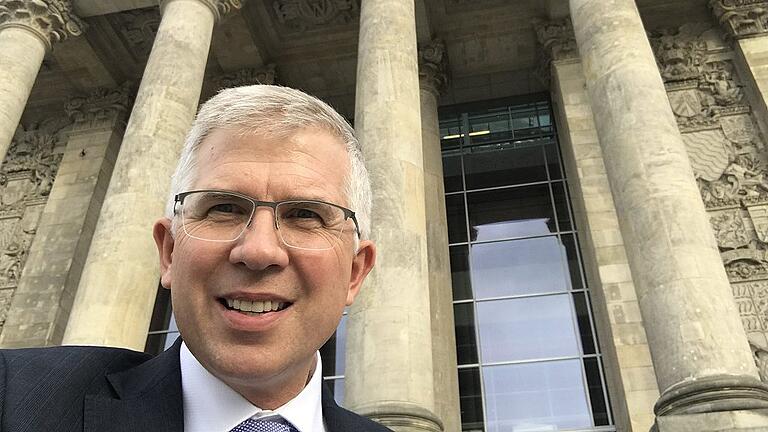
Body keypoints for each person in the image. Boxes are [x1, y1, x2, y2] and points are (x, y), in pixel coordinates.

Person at [0, 85, 389, 432]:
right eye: (224, 208)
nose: (258, 251)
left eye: (305, 214)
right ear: (169, 251)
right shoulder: (14, 398)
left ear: (355, 273)